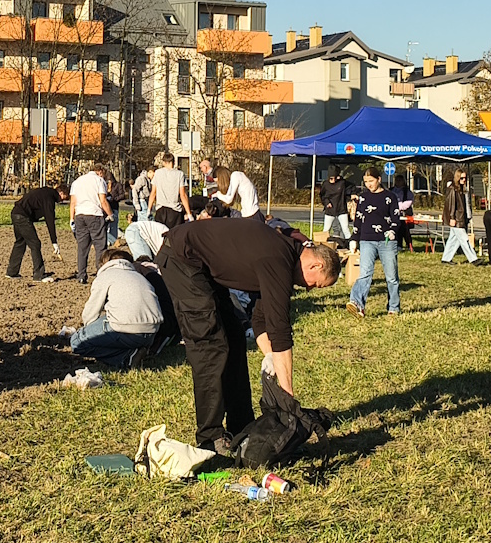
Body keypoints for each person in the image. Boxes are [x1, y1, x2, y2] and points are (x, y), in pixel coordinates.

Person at [157, 215, 342, 454]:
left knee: (234, 336)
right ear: (316, 266)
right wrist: (287, 399)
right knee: (210, 344)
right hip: (182, 259)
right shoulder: (278, 258)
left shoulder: (285, 254)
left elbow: (260, 319)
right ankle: (210, 437)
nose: (309, 288)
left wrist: (269, 356)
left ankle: (241, 424)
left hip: (204, 266)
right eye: (316, 284)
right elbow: (280, 330)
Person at [70, 247, 163, 369]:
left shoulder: (106, 276)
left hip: (126, 328)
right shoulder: (139, 276)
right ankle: (133, 350)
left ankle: (125, 358)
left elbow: (91, 311)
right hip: (151, 332)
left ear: (104, 264)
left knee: (77, 342)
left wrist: (89, 330)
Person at [348, 170, 405, 316]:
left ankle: (393, 307)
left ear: (379, 179)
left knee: (391, 276)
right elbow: (358, 219)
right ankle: (357, 303)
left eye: (371, 181)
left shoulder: (390, 197)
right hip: (367, 240)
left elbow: (396, 217)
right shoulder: (363, 198)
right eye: (366, 182)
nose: (369, 185)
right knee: (365, 273)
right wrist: (354, 238)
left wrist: (393, 230)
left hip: (387, 241)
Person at [68, 164, 114, 284]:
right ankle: (101, 273)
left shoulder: (77, 182)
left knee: (82, 247)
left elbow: (73, 202)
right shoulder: (99, 181)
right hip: (95, 215)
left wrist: (71, 219)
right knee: (100, 246)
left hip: (80, 215)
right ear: (100, 171)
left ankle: (82, 275)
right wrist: (110, 214)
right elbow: (103, 201)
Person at [7, 184, 63, 281]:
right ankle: (39, 274)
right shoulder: (49, 198)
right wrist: (54, 242)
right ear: (61, 193)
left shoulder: (44, 192)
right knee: (35, 244)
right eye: (65, 197)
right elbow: (50, 220)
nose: (63, 200)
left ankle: (11, 272)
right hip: (23, 216)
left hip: (15, 213)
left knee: (20, 242)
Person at [441, 167, 478, 264]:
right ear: (457, 178)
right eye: (461, 178)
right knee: (464, 239)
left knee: (453, 239)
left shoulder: (461, 189)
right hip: (457, 218)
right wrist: (452, 217)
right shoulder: (453, 189)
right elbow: (451, 204)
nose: (464, 180)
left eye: (465, 178)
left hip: (461, 217)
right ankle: (473, 259)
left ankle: (446, 258)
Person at [149, 152, 193, 228]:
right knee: (175, 235)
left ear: (164, 162)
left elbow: (153, 193)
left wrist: (149, 209)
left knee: (160, 235)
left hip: (161, 209)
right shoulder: (179, 174)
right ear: (174, 162)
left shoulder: (158, 173)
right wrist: (189, 213)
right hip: (175, 210)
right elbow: (183, 195)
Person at [318, 172, 352, 250]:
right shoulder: (326, 184)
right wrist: (326, 203)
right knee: (326, 229)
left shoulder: (342, 183)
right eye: (330, 178)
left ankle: (350, 246)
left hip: (341, 209)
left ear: (337, 177)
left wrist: (352, 194)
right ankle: (323, 247)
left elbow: (351, 187)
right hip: (330, 210)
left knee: (346, 229)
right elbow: (322, 195)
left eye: (334, 178)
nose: (332, 180)